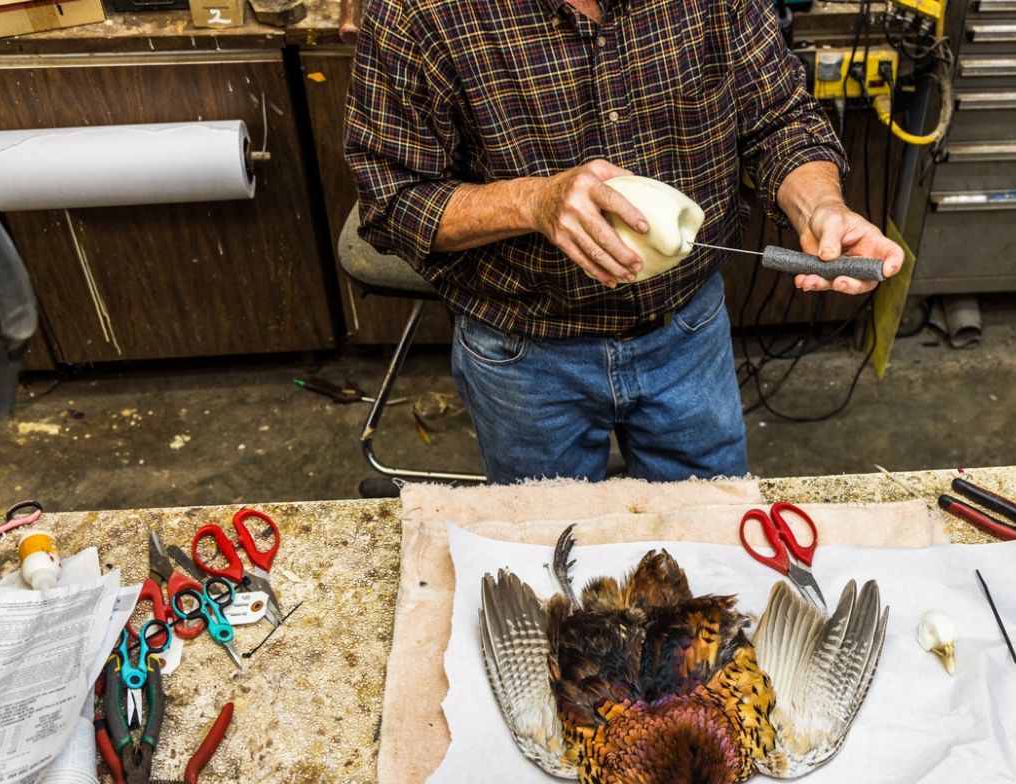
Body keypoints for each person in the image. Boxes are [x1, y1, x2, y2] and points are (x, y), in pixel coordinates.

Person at [345, 0, 904, 485]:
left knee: (705, 544)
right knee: (550, 560)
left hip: (686, 331)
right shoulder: (419, 12)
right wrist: (531, 202)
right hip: (525, 350)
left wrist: (822, 207)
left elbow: (779, 120)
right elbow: (392, 200)